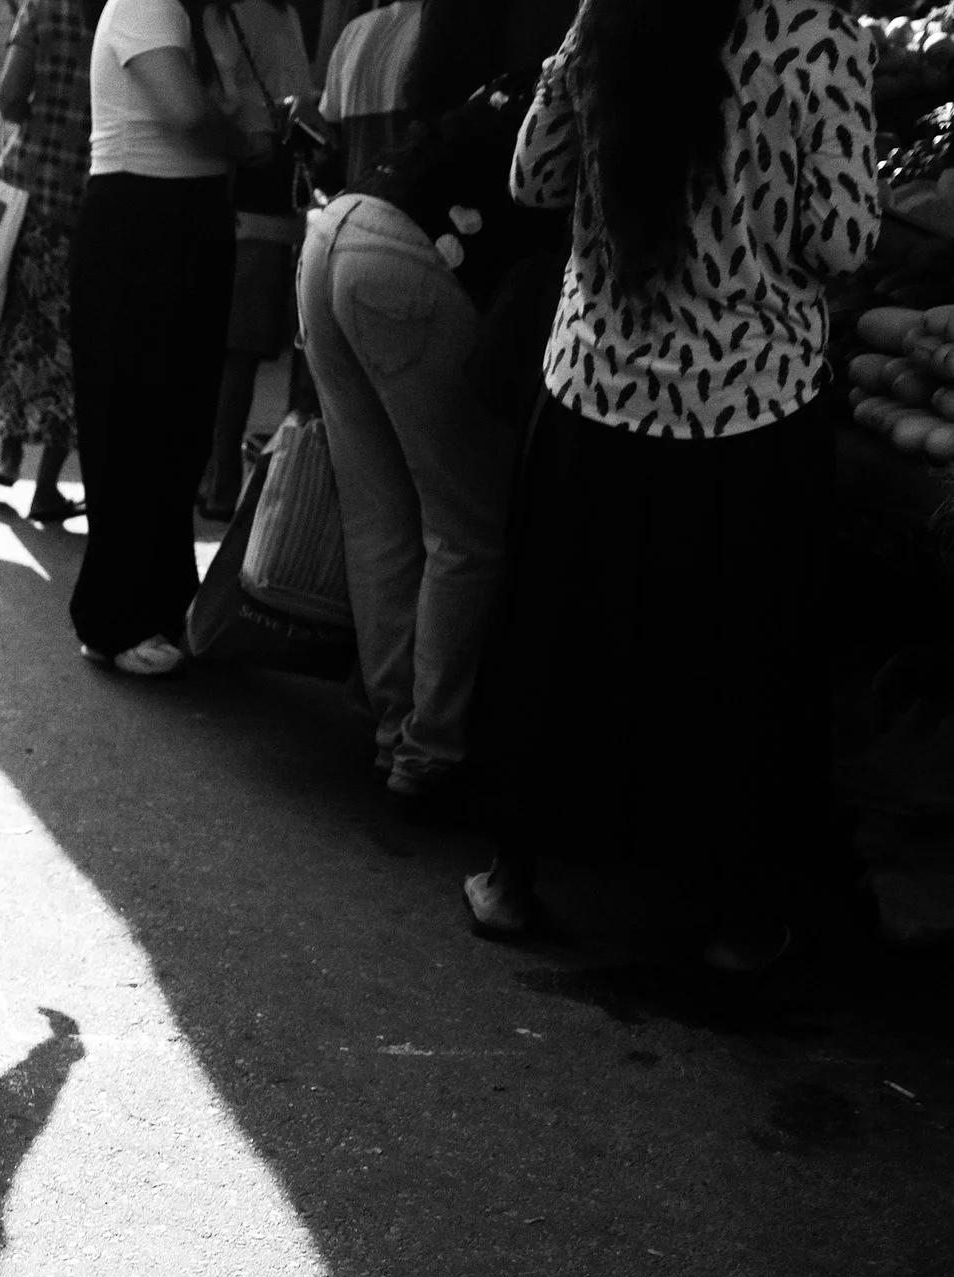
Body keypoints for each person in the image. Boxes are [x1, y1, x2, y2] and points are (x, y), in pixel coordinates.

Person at [464, 0, 879, 973]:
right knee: (737, 662)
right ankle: (733, 920)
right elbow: (847, 240)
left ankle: (510, 877)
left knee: (556, 639)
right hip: (749, 407)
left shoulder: (611, 15)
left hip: (593, 386)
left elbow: (532, 175)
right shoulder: (816, 31)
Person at [295, 0, 564, 803]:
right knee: (465, 531)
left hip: (334, 232)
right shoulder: (562, 73)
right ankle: (430, 750)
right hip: (410, 262)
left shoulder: (473, 77)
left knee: (378, 513)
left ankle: (394, 735)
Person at [67, 0, 269, 675]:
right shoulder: (146, 3)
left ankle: (161, 602)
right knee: (132, 424)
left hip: (188, 218)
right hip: (137, 219)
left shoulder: (203, 16)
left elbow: (235, 104)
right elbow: (191, 116)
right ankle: (113, 617)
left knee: (179, 426)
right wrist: (247, 142)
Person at [0, 0, 94, 523]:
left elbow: (9, 95)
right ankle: (47, 485)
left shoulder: (43, 10)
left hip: (31, 197)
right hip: (93, 203)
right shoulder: (125, 10)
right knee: (73, 342)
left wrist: (35, 120)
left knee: (19, 326)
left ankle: (8, 455)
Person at [193, 0, 314, 521]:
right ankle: (232, 481)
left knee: (236, 351)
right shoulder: (267, 13)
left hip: (255, 191)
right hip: (266, 193)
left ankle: (223, 480)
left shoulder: (244, 12)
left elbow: (222, 94)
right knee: (246, 350)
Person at [316, 0, 419, 181]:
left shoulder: (354, 31)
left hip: (357, 197)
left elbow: (327, 130)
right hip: (412, 200)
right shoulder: (444, 26)